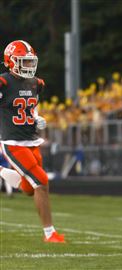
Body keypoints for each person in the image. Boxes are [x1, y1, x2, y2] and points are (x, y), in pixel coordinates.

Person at [0, 40, 65, 243]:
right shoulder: (3, 82)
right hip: (13, 143)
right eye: (24, 62)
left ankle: (3, 173)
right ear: (11, 62)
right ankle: (50, 234)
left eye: (30, 62)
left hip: (31, 140)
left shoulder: (36, 83)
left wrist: (36, 117)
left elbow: (31, 106)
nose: (28, 66)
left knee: (29, 189)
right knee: (42, 181)